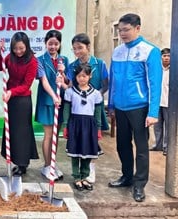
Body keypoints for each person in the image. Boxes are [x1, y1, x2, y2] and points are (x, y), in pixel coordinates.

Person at [108, 13, 162, 202]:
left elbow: (155, 83)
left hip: (139, 107)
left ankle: (139, 184)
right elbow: (113, 80)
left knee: (141, 147)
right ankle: (127, 177)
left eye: (126, 30)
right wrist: (111, 105)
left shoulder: (150, 51)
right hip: (120, 108)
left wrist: (153, 112)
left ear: (138, 28)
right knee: (122, 144)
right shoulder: (117, 52)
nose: (122, 34)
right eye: (120, 30)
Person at [0, 32, 39, 176]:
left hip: (22, 101)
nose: (18, 52)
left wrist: (11, 92)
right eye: (15, 48)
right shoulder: (10, 57)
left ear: (26, 46)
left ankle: (22, 164)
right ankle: (14, 160)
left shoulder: (32, 61)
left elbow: (26, 85)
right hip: (11, 100)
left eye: (21, 48)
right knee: (11, 131)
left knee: (22, 133)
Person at [67, 33, 109, 183]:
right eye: (74, 49)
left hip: (93, 109)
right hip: (78, 111)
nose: (77, 51)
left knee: (92, 139)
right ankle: (78, 172)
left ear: (88, 47)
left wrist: (95, 95)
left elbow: (106, 84)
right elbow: (70, 86)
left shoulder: (100, 64)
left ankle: (91, 167)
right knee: (79, 138)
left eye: (80, 48)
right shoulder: (72, 67)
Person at [62, 63, 103, 191]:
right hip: (75, 123)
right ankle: (77, 178)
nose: (82, 78)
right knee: (75, 153)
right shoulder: (70, 92)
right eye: (79, 76)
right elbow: (66, 110)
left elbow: (97, 112)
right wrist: (65, 126)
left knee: (88, 152)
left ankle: (85, 176)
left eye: (84, 76)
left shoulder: (96, 94)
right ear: (76, 77)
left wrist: (99, 128)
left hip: (89, 125)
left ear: (90, 76)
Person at [35, 30, 69, 181]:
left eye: (56, 44)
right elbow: (44, 81)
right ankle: (47, 165)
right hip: (47, 101)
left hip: (61, 101)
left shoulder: (64, 60)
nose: (53, 46)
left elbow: (68, 82)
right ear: (45, 44)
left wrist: (64, 74)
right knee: (48, 134)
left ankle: (53, 164)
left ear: (60, 44)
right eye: (50, 44)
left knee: (56, 135)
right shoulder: (40, 60)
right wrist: (54, 96)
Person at [149, 48, 170, 156]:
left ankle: (166, 147)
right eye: (164, 56)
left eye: (168, 56)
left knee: (168, 126)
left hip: (169, 103)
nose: (166, 58)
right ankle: (158, 145)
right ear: (160, 57)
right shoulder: (157, 70)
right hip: (157, 102)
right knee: (157, 126)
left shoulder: (174, 71)